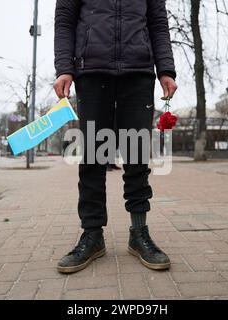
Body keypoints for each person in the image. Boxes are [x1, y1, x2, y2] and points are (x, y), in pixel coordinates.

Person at [53, 0, 177, 274]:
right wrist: (64, 68)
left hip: (138, 72)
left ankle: (139, 231)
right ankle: (92, 235)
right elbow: (64, 20)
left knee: (136, 155)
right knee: (94, 158)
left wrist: (166, 70)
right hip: (91, 71)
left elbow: (158, 23)